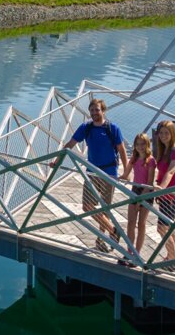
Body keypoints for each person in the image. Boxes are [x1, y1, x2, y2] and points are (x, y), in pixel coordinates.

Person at [56, 98, 127, 252]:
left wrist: (126, 172)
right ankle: (113, 231)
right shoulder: (86, 127)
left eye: (97, 110)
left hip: (109, 173)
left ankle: (100, 240)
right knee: (87, 206)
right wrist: (57, 160)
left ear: (103, 111)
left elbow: (121, 150)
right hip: (92, 171)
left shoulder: (112, 128)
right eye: (92, 110)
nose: (95, 113)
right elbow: (70, 144)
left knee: (105, 209)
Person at [151, 120, 175, 271]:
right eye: (161, 133)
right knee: (169, 227)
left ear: (173, 134)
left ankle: (172, 262)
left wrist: (161, 188)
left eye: (166, 133)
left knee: (161, 228)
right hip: (166, 194)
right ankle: (170, 257)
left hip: (171, 195)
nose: (163, 136)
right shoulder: (165, 149)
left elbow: (172, 171)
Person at [121, 134, 156, 268]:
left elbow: (150, 182)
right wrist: (121, 177)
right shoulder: (134, 158)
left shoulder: (150, 160)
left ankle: (137, 253)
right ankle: (129, 251)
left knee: (141, 224)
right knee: (130, 222)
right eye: (138, 144)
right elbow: (127, 173)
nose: (140, 147)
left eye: (143, 144)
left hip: (146, 192)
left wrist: (141, 201)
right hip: (135, 189)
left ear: (147, 145)